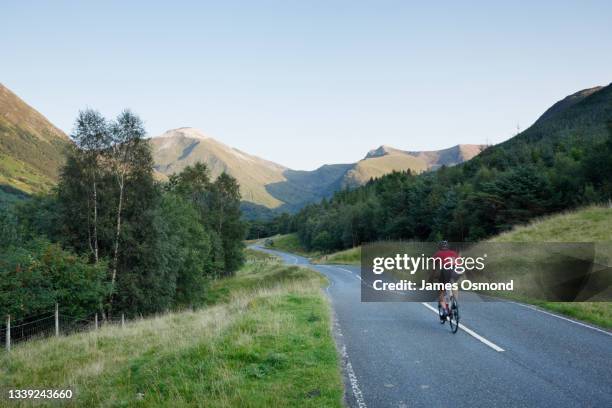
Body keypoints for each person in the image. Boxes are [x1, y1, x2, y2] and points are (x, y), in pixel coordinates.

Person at [433, 240, 459, 322]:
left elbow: (434, 268)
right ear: (448, 247)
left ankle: (444, 310)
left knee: (441, 291)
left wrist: (433, 276)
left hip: (445, 271)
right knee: (454, 285)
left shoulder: (438, 254)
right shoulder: (454, 253)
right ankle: (455, 301)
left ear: (440, 247)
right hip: (456, 270)